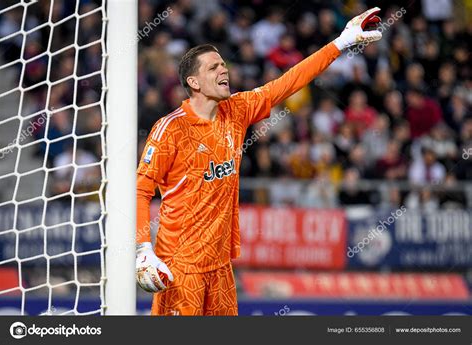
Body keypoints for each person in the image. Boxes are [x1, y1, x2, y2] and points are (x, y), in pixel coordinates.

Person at [135, 8, 383, 316]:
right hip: (181, 266)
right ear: (194, 82)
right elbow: (140, 190)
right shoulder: (171, 129)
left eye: (223, 64)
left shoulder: (237, 111)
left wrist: (342, 42)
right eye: (213, 68)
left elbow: (289, 82)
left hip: (220, 266)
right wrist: (143, 248)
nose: (224, 70)